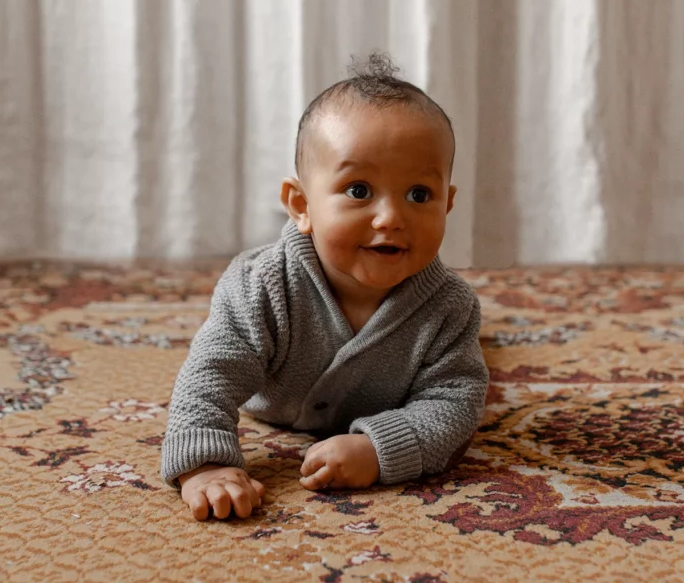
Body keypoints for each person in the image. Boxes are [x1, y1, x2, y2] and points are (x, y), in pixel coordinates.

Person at [161, 52, 489, 521]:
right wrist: (206, 465)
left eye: (419, 194)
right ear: (301, 205)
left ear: (448, 204)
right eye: (359, 190)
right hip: (270, 405)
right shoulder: (260, 285)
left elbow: (454, 404)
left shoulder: (450, 309)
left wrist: (378, 449)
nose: (391, 218)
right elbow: (208, 376)